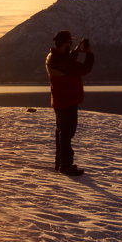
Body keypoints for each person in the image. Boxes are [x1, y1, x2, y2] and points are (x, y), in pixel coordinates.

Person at [45, 30, 94, 176]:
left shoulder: (54, 57)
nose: (71, 45)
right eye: (70, 43)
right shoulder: (60, 61)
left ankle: (60, 163)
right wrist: (89, 54)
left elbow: (67, 61)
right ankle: (65, 165)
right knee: (66, 134)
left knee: (62, 133)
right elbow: (85, 68)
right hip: (66, 101)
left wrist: (76, 51)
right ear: (64, 44)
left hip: (62, 101)